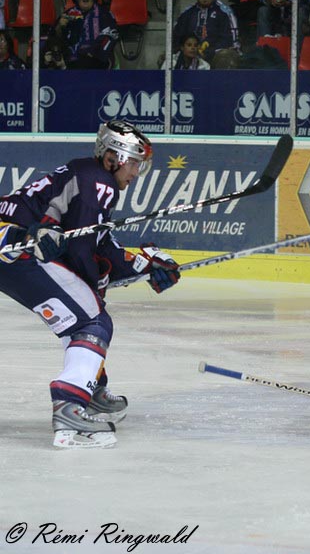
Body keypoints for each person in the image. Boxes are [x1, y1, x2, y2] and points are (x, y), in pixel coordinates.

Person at [0, 120, 182, 449]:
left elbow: (97, 245)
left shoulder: (88, 175)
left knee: (78, 318)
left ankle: (93, 390)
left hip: (11, 246)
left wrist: (145, 263)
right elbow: (82, 253)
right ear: (116, 158)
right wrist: (98, 287)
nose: (136, 174)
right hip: (18, 248)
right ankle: (70, 405)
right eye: (136, 164)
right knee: (92, 320)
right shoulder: (99, 182)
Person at [50, 0, 118, 70]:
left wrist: (92, 52)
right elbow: (54, 36)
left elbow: (111, 34)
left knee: (83, 62)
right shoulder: (68, 14)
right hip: (70, 57)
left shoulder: (104, 13)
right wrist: (59, 26)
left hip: (96, 56)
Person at [174, 0, 241, 64]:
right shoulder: (187, 14)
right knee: (165, 58)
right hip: (190, 56)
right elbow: (176, 38)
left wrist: (208, 52)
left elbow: (230, 41)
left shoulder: (225, 12)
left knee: (226, 56)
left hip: (216, 56)